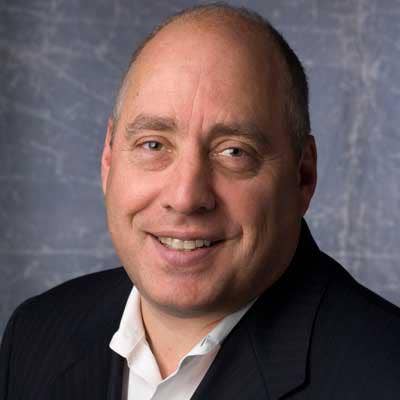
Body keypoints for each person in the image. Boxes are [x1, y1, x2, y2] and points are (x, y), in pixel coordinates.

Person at [1, 4, 399, 400]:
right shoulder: (34, 335)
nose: (185, 197)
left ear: (303, 176)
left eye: (234, 152)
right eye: (153, 144)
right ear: (109, 158)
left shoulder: (384, 375)